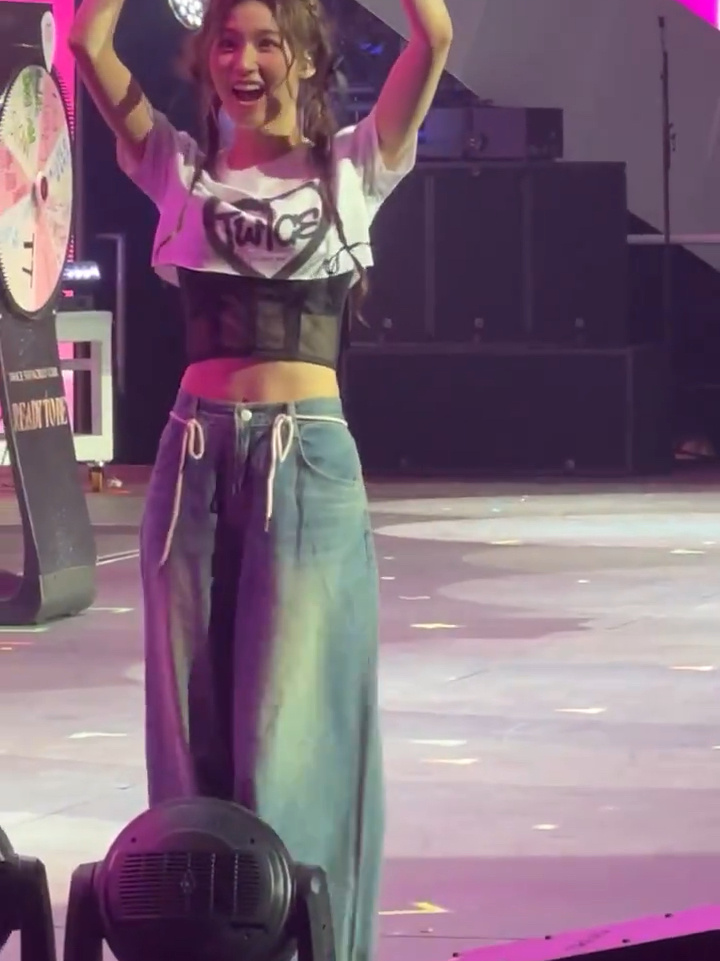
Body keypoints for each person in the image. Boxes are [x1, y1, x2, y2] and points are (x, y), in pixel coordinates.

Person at [69, 0, 451, 957]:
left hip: (305, 460)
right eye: (228, 42)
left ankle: (307, 943)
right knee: (187, 717)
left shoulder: (354, 164)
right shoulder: (176, 166)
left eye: (268, 42)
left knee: (296, 725)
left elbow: (435, 37)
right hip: (193, 459)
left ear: (306, 60)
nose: (245, 60)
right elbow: (85, 43)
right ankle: (193, 938)